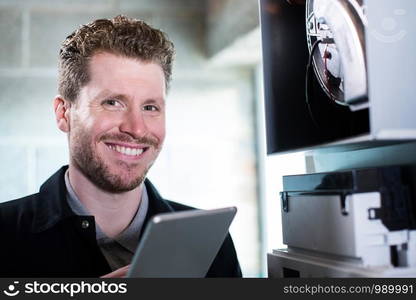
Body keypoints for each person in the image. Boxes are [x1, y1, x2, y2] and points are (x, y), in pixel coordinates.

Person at [0, 15, 242, 278]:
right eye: (113, 103)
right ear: (63, 113)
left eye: (150, 107)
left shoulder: (212, 245)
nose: (136, 128)